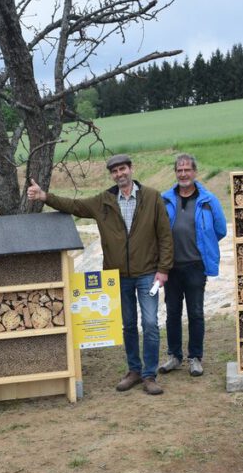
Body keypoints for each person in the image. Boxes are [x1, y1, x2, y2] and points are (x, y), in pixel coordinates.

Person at [27, 154, 173, 395]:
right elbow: (74, 205)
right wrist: (45, 197)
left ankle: (149, 375)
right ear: (112, 175)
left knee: (149, 323)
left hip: (148, 273)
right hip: (118, 276)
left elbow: (165, 235)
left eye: (123, 169)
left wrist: (163, 269)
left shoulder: (152, 197)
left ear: (131, 169)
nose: (120, 174)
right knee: (127, 325)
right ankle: (134, 370)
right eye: (115, 171)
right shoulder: (103, 201)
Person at [157, 153, 228, 378]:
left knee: (196, 312)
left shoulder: (208, 200)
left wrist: (203, 243)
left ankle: (195, 357)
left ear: (195, 172)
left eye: (187, 170)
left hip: (196, 266)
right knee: (172, 313)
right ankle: (174, 356)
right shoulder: (165, 199)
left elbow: (221, 229)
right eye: (180, 170)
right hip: (171, 266)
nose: (183, 174)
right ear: (175, 173)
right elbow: (156, 229)